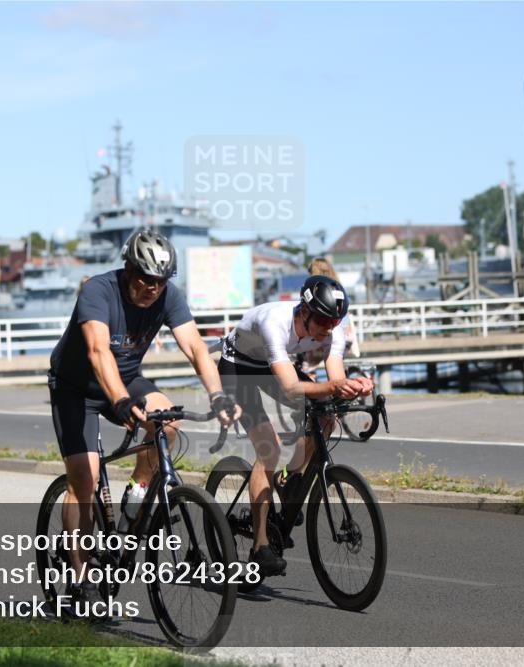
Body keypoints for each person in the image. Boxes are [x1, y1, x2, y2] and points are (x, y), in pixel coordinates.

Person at [48, 229, 241, 611]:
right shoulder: (98, 291)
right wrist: (118, 400)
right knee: (83, 479)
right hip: (77, 387)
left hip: (127, 377)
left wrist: (218, 395)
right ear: (128, 268)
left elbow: (196, 347)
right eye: (145, 279)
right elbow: (98, 350)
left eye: (159, 281)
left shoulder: (168, 296)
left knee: (168, 421)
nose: (152, 288)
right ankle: (81, 578)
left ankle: (137, 493)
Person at [218, 275, 373, 577]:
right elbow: (290, 386)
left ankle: (289, 478)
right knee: (269, 449)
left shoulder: (333, 327)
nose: (328, 330)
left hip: (271, 366)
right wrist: (335, 386)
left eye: (334, 323)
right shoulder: (273, 322)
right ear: (304, 311)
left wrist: (353, 387)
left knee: (326, 416)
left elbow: (335, 375)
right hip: (238, 368)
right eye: (323, 323)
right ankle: (260, 545)